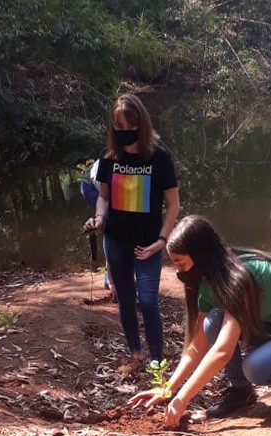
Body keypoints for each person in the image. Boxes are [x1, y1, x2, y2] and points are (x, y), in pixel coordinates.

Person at [129, 215, 271, 429]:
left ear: (201, 256)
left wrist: (182, 398)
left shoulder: (239, 277)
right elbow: (198, 345)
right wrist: (167, 389)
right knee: (213, 321)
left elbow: (222, 351)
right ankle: (240, 392)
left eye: (181, 264)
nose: (178, 272)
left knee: (256, 368)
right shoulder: (209, 284)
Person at [83, 94, 180, 372]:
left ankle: (157, 362)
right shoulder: (110, 157)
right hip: (115, 241)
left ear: (142, 124)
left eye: (130, 126)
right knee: (125, 300)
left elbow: (173, 204)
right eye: (119, 127)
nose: (125, 132)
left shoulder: (159, 158)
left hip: (148, 244)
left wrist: (162, 240)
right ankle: (136, 355)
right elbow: (103, 197)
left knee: (148, 302)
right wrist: (99, 219)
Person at [79, 158, 115, 301]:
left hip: (101, 181)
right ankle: (110, 280)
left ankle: (114, 277)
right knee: (111, 223)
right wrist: (100, 218)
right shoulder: (108, 174)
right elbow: (104, 200)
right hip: (89, 185)